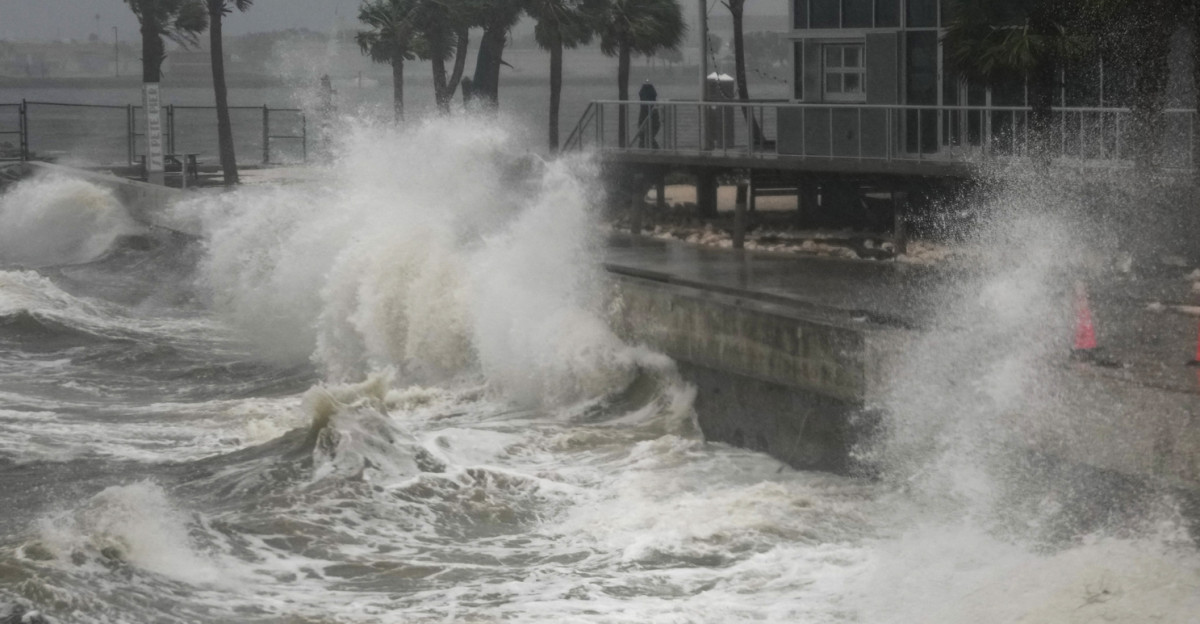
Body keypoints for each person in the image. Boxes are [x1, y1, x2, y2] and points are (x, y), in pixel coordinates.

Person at [637, 80, 660, 149]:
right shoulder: (652, 102)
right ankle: (655, 149)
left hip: (646, 120)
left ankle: (653, 149)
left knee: (644, 137)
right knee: (647, 137)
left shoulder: (644, 99)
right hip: (650, 120)